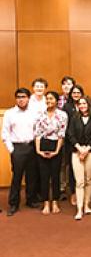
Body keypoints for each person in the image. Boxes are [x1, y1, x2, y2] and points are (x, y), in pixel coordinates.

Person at [2, 88, 39, 216]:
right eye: (18, 97)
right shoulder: (10, 113)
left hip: (32, 146)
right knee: (17, 177)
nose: (21, 99)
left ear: (28, 98)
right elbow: (5, 134)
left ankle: (31, 200)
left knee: (32, 176)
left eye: (23, 97)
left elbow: (38, 129)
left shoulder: (34, 112)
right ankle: (13, 204)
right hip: (17, 148)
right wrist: (12, 150)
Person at [34, 91, 68, 215]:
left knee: (55, 176)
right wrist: (38, 150)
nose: (49, 101)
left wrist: (57, 151)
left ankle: (55, 201)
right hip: (43, 144)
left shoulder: (62, 115)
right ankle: (45, 203)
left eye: (51, 99)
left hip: (56, 145)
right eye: (47, 99)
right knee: (43, 176)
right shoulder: (40, 115)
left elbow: (61, 135)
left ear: (56, 101)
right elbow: (37, 134)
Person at [68, 96, 91, 220]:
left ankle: (87, 205)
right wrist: (79, 148)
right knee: (79, 181)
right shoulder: (74, 118)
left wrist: (86, 149)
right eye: (80, 103)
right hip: (76, 152)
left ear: (89, 104)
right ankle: (79, 209)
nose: (82, 105)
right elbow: (70, 134)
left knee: (88, 180)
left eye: (84, 103)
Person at [63, 84, 85, 205]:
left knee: (83, 168)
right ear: (71, 95)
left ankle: (83, 192)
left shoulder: (85, 104)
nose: (76, 95)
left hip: (85, 142)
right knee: (72, 169)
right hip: (71, 142)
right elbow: (66, 126)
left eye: (78, 92)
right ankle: (73, 193)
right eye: (74, 93)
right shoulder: (67, 107)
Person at [58, 76, 76, 201]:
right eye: (64, 84)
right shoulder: (57, 99)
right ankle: (62, 188)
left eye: (69, 84)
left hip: (72, 137)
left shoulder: (77, 99)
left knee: (72, 163)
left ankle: (73, 189)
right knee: (62, 163)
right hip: (59, 136)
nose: (66, 86)